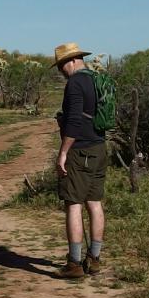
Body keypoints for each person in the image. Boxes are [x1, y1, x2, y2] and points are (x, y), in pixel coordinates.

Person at [52, 43, 107, 279]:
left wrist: (63, 152)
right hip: (100, 147)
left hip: (80, 150)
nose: (61, 71)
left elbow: (74, 121)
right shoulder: (96, 78)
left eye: (61, 66)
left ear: (71, 61)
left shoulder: (75, 83)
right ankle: (94, 259)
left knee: (73, 203)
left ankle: (74, 263)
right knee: (94, 203)